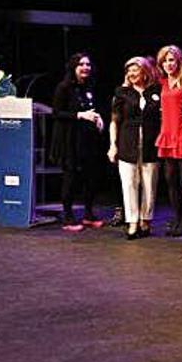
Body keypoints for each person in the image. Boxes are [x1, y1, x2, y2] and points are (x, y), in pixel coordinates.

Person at [108, 57, 162, 240]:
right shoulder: (121, 92)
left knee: (149, 184)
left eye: (135, 70)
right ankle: (132, 222)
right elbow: (114, 121)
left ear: (145, 71)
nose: (131, 74)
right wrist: (112, 145)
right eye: (129, 71)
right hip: (127, 143)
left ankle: (145, 220)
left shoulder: (156, 90)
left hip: (150, 144)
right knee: (129, 183)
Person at [50, 52, 105, 231]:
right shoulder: (63, 87)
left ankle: (88, 214)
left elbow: (92, 108)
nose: (85, 68)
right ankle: (68, 217)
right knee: (71, 177)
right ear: (74, 67)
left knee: (90, 177)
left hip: (87, 139)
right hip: (69, 140)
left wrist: (98, 119)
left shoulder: (89, 87)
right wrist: (80, 115)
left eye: (88, 64)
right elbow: (57, 113)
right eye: (81, 64)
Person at [155, 45, 182, 237]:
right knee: (170, 179)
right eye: (165, 61)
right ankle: (177, 217)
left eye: (171, 60)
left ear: (179, 61)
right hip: (167, 134)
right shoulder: (162, 82)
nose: (168, 64)